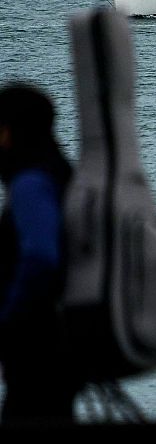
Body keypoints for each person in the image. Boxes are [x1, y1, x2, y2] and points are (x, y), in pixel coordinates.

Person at [0, 83, 80, 424]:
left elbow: (40, 256)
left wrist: (8, 316)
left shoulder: (30, 182)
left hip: (36, 338)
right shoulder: (62, 171)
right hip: (64, 333)